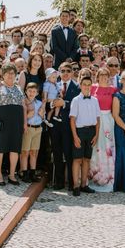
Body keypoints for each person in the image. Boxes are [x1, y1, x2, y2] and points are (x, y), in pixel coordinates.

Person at [0, 63, 25, 186]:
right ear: (2, 74)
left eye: (13, 73)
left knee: (14, 149)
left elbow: (23, 106)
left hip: (16, 123)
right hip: (0, 122)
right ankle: (0, 175)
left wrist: (24, 123)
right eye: (7, 73)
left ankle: (12, 175)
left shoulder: (18, 88)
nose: (10, 75)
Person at [49, 63, 81, 191]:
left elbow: (78, 105)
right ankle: (59, 182)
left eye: (69, 70)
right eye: (63, 70)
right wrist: (53, 104)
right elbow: (47, 102)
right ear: (59, 72)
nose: (66, 73)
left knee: (69, 154)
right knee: (56, 153)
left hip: (69, 125)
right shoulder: (53, 85)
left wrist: (64, 104)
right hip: (55, 124)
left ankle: (72, 183)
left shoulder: (77, 87)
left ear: (72, 72)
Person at [69, 76, 101, 196]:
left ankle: (83, 184)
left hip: (91, 131)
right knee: (77, 159)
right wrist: (75, 136)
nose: (87, 86)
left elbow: (98, 119)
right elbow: (72, 119)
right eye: (84, 84)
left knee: (87, 159)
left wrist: (96, 134)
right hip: (80, 131)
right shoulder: (76, 100)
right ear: (81, 86)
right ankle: (75, 185)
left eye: (89, 84)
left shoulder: (95, 100)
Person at [89, 67, 118, 192]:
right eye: (101, 74)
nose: (104, 76)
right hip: (95, 118)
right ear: (98, 76)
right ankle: (94, 176)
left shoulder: (113, 89)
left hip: (108, 119)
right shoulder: (92, 88)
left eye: (106, 74)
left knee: (108, 146)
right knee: (95, 146)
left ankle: (108, 176)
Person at [20, 83, 44, 183]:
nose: (31, 93)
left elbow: (43, 117)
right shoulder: (23, 102)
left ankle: (32, 173)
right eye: (30, 91)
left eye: (34, 91)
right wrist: (28, 115)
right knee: (25, 152)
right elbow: (20, 117)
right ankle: (24, 173)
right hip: (28, 128)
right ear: (26, 91)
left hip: (38, 129)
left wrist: (42, 115)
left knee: (34, 152)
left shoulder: (39, 103)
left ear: (37, 93)